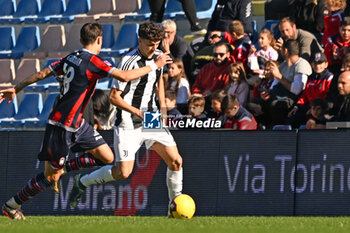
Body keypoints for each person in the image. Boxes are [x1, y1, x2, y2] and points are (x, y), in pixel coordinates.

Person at [0, 23, 171, 220]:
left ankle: (65, 169)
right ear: (100, 40)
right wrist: (155, 65)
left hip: (78, 124)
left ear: (81, 40)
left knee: (107, 158)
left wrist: (17, 88)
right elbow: (123, 76)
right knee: (49, 178)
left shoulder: (70, 58)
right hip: (60, 126)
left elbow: (42, 73)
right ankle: (11, 205)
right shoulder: (94, 61)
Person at [68, 22, 183, 213]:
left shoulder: (158, 57)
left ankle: (175, 208)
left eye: (156, 43)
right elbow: (114, 97)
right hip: (128, 122)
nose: (153, 48)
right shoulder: (127, 62)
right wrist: (138, 112)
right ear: (139, 40)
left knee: (176, 161)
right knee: (123, 172)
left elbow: (158, 84)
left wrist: (162, 111)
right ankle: (83, 182)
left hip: (151, 118)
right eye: (149, 44)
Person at [287, 52, 333, 128]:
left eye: (320, 63)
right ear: (312, 64)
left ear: (326, 64)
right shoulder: (310, 78)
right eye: (315, 63)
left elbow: (328, 97)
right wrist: (296, 106)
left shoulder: (329, 77)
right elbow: (304, 96)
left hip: (321, 109)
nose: (317, 66)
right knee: (292, 117)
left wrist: (314, 109)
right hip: (310, 107)